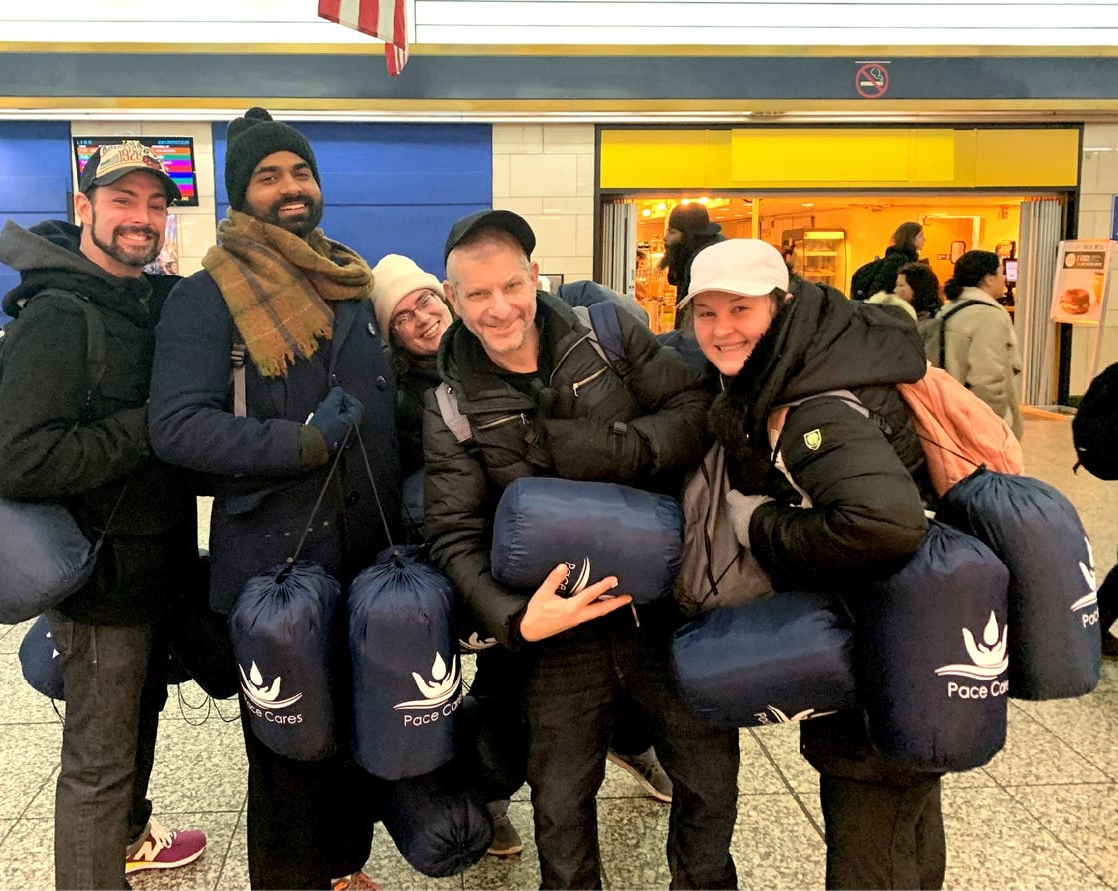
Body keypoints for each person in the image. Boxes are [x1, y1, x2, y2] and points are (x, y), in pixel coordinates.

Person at [423, 208, 740, 889]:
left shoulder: (606, 333)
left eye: (510, 285)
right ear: (452, 297)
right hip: (560, 630)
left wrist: (616, 449)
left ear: (535, 276)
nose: (499, 307)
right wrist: (515, 618)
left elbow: (692, 414)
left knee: (709, 780)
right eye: (477, 294)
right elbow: (451, 532)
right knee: (561, 803)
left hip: (667, 606)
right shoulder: (451, 402)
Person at [147, 108, 397, 891]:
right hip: (275, 566)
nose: (291, 188)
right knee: (290, 749)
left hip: (366, 555)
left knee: (353, 731)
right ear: (239, 193)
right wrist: (300, 445)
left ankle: (342, 866)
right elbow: (177, 427)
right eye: (269, 175)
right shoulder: (209, 294)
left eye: (300, 172)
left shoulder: (347, 278)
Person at [368, 257, 674, 859]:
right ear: (394, 338)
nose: (421, 319)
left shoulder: (519, 345)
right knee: (508, 685)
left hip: (558, 528)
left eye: (425, 302)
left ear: (447, 298)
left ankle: (630, 740)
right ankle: (493, 795)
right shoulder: (409, 398)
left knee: (619, 650)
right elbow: (429, 500)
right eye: (402, 317)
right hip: (485, 551)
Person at [684, 238, 944, 890]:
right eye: (706, 313)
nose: (721, 330)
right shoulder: (822, 355)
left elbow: (884, 523)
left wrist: (757, 524)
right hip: (921, 637)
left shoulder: (814, 403)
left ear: (782, 302)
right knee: (906, 818)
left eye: (740, 308)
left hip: (888, 646)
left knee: (870, 835)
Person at [0, 142, 207, 889]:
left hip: (154, 567)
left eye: (155, 204)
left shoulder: (146, 301)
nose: (141, 218)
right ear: (85, 209)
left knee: (132, 740)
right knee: (98, 763)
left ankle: (130, 841)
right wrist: (151, 426)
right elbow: (19, 461)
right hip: (99, 583)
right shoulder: (57, 313)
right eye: (122, 201)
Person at [931, 249, 1024, 438]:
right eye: (1001, 272)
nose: (1004, 278)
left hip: (947, 411)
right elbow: (988, 377)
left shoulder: (948, 310)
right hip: (975, 421)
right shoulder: (989, 316)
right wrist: (994, 425)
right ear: (988, 278)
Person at [660, 202, 725, 328]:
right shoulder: (692, 253)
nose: (665, 237)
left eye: (672, 232)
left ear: (689, 236)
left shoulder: (705, 261)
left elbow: (693, 314)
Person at [866, 221, 925, 297]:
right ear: (910, 239)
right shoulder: (897, 261)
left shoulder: (908, 259)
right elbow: (879, 289)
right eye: (920, 236)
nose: (924, 239)